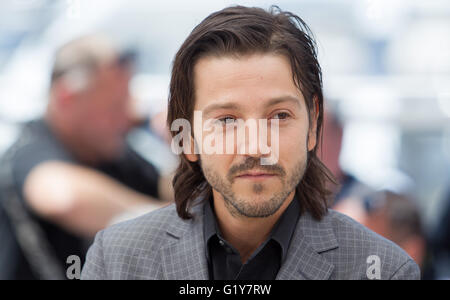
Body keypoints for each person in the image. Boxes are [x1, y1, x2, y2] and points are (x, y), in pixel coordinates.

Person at [81, 6, 419, 280]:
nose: (256, 147)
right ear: (188, 137)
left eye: (279, 117)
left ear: (313, 125)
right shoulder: (117, 261)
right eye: (227, 120)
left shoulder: (381, 269)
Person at [0, 35, 172, 279]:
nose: (127, 116)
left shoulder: (111, 152)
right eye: (114, 105)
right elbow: (63, 197)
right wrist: (172, 227)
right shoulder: (29, 148)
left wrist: (184, 148)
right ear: (67, 98)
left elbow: (173, 194)